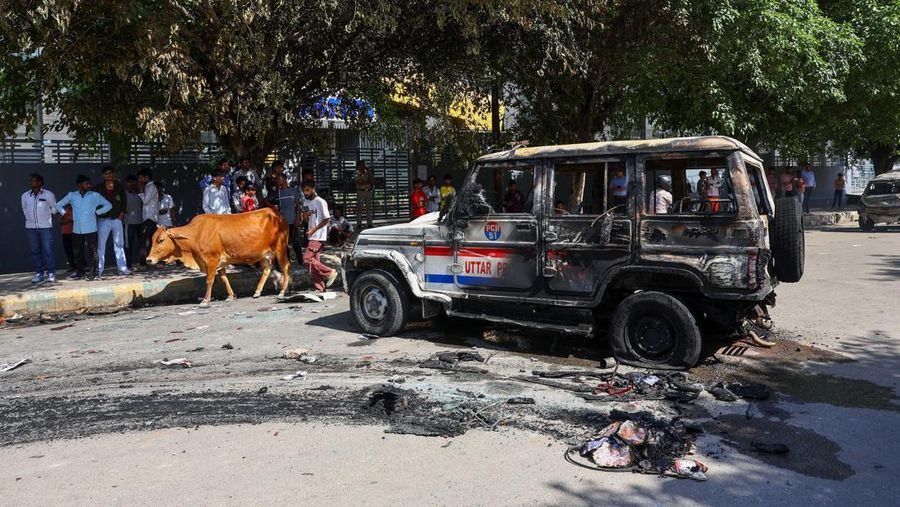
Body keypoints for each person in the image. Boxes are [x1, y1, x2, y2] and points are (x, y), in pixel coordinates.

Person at [56, 175, 112, 280]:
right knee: (78, 252)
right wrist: (65, 214)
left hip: (91, 228)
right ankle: (80, 272)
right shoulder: (72, 195)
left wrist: (98, 212)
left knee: (93, 252)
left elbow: (108, 205)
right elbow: (58, 205)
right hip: (77, 229)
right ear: (79, 184)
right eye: (86, 183)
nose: (89, 185)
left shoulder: (94, 195)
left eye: (89, 183)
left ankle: (95, 273)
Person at [300, 180, 339, 292]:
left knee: (307, 259)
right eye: (304, 191)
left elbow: (326, 219)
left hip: (318, 235)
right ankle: (320, 289)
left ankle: (330, 272)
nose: (306, 193)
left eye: (307, 190)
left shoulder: (321, 202)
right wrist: (305, 215)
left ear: (313, 189)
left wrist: (314, 230)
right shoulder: (306, 203)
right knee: (313, 265)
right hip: (311, 235)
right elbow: (306, 220)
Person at [21, 173, 58, 284]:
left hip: (45, 227)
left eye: (33, 180)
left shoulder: (48, 194)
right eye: (30, 180)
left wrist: (47, 216)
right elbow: (24, 209)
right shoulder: (25, 196)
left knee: (48, 250)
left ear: (39, 183)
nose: (31, 182)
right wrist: (30, 219)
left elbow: (54, 209)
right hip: (31, 227)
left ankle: (51, 273)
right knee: (35, 251)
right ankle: (39, 274)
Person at [96, 167, 130, 277]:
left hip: (116, 219)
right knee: (101, 245)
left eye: (110, 173)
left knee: (119, 244)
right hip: (103, 220)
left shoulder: (119, 187)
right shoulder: (98, 188)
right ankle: (99, 269)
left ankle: (123, 268)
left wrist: (122, 213)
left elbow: (124, 202)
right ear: (103, 176)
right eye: (106, 174)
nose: (108, 175)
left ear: (113, 174)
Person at [268, 172, 303, 262]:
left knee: (295, 241)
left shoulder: (293, 191)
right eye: (276, 180)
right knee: (285, 242)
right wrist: (273, 207)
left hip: (293, 219)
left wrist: (298, 218)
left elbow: (298, 206)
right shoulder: (277, 193)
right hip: (282, 221)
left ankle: (301, 260)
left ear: (284, 180)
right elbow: (266, 200)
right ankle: (287, 261)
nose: (277, 181)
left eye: (279, 179)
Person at [137, 168, 159, 268]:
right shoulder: (149, 187)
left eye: (141, 178)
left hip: (149, 218)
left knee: (144, 241)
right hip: (149, 218)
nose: (139, 180)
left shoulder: (150, 187)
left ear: (146, 177)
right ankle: (150, 262)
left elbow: (145, 201)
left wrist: (141, 191)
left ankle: (143, 263)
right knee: (149, 241)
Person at [124, 175, 143, 269]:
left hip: (140, 223)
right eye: (130, 182)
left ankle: (143, 263)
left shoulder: (141, 195)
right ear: (127, 184)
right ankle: (128, 265)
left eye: (134, 182)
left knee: (142, 244)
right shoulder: (124, 194)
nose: (132, 184)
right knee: (128, 245)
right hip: (129, 224)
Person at [354, 160, 375, 230]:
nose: (364, 166)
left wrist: (369, 172)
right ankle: (359, 224)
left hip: (368, 191)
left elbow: (372, 180)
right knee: (360, 208)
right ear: (359, 165)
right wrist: (367, 181)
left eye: (364, 164)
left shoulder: (367, 172)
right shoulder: (357, 173)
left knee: (368, 208)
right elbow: (360, 182)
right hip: (361, 192)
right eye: (362, 164)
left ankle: (369, 223)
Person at [61, 204, 76, 273]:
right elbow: (61, 223)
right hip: (65, 233)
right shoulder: (63, 212)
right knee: (68, 251)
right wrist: (70, 220)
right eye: (66, 203)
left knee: (77, 250)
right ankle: (73, 267)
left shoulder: (76, 210)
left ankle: (82, 266)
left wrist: (72, 220)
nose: (68, 205)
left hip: (74, 232)